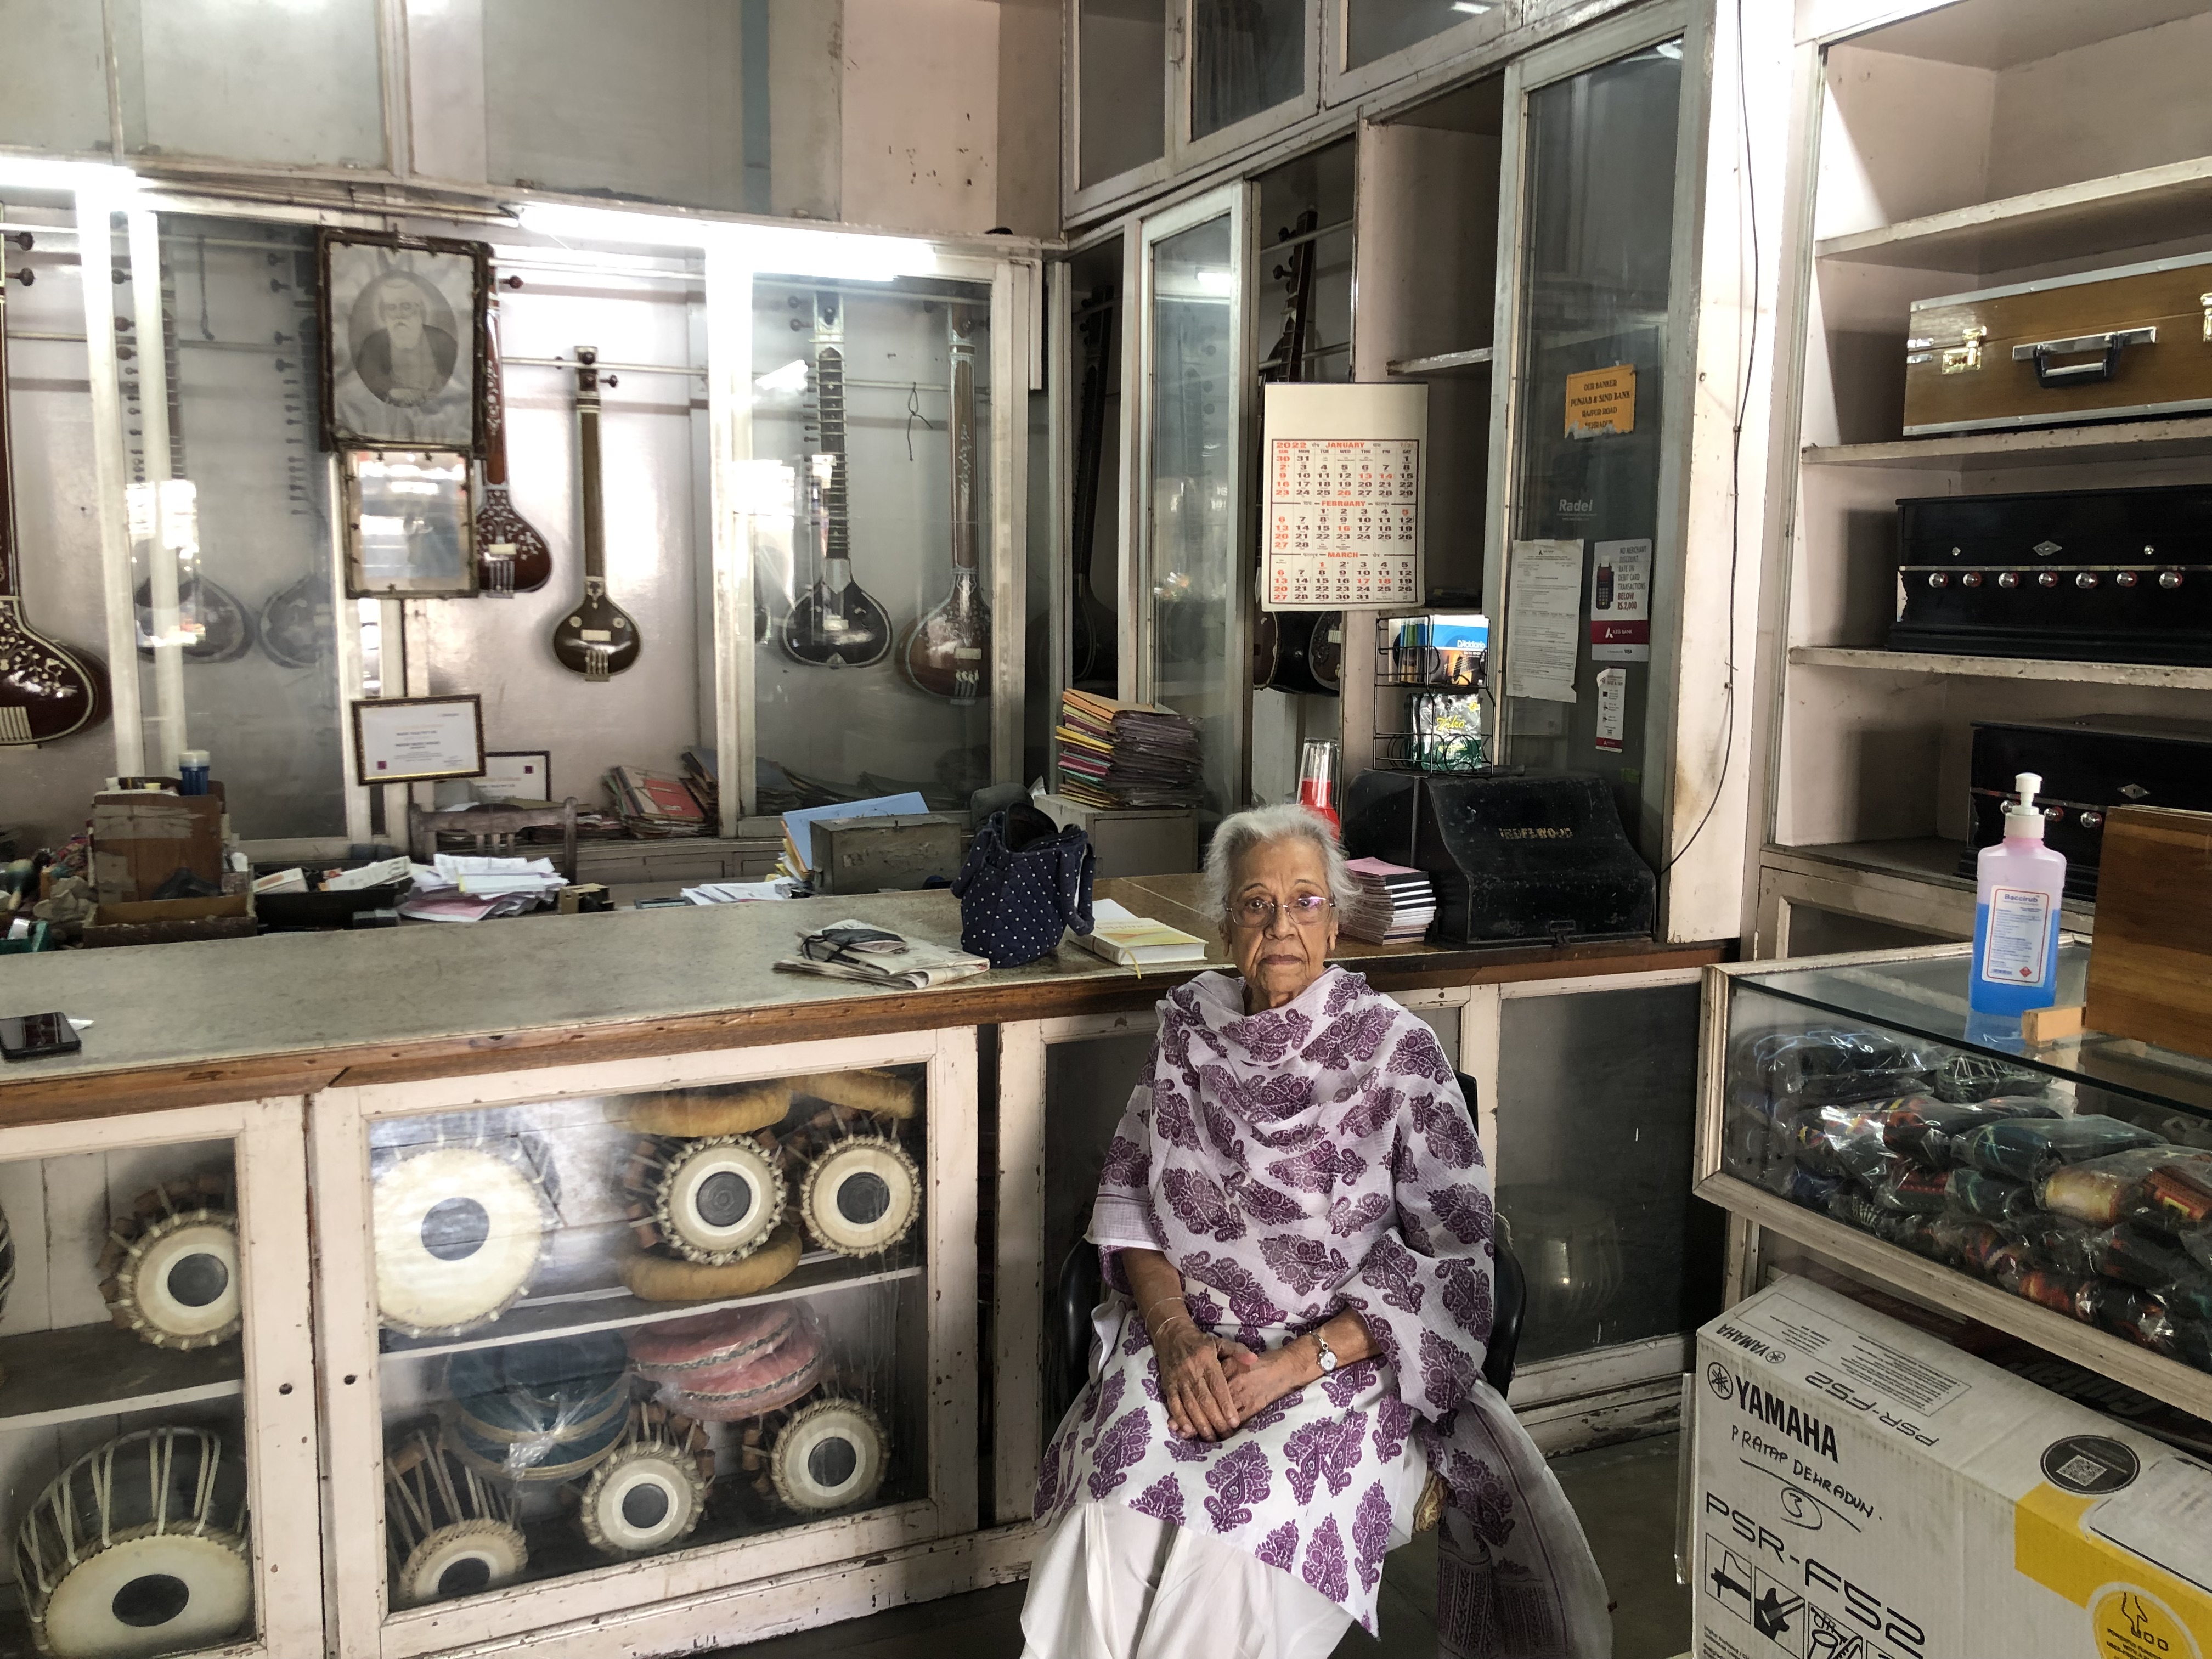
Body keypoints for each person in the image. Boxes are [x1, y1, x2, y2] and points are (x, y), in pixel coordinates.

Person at [1022, 804, 1609, 1659]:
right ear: (1228, 925)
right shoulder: (1187, 1036)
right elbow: (1129, 1208)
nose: (1282, 924)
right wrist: (1179, 1338)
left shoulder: (1397, 1054)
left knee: (1237, 1537)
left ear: (1335, 922)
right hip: (1191, 1350)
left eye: (1304, 902)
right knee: (1108, 1509)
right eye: (1257, 904)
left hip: (1343, 1366)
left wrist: (1296, 1366)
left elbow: (1460, 1259)